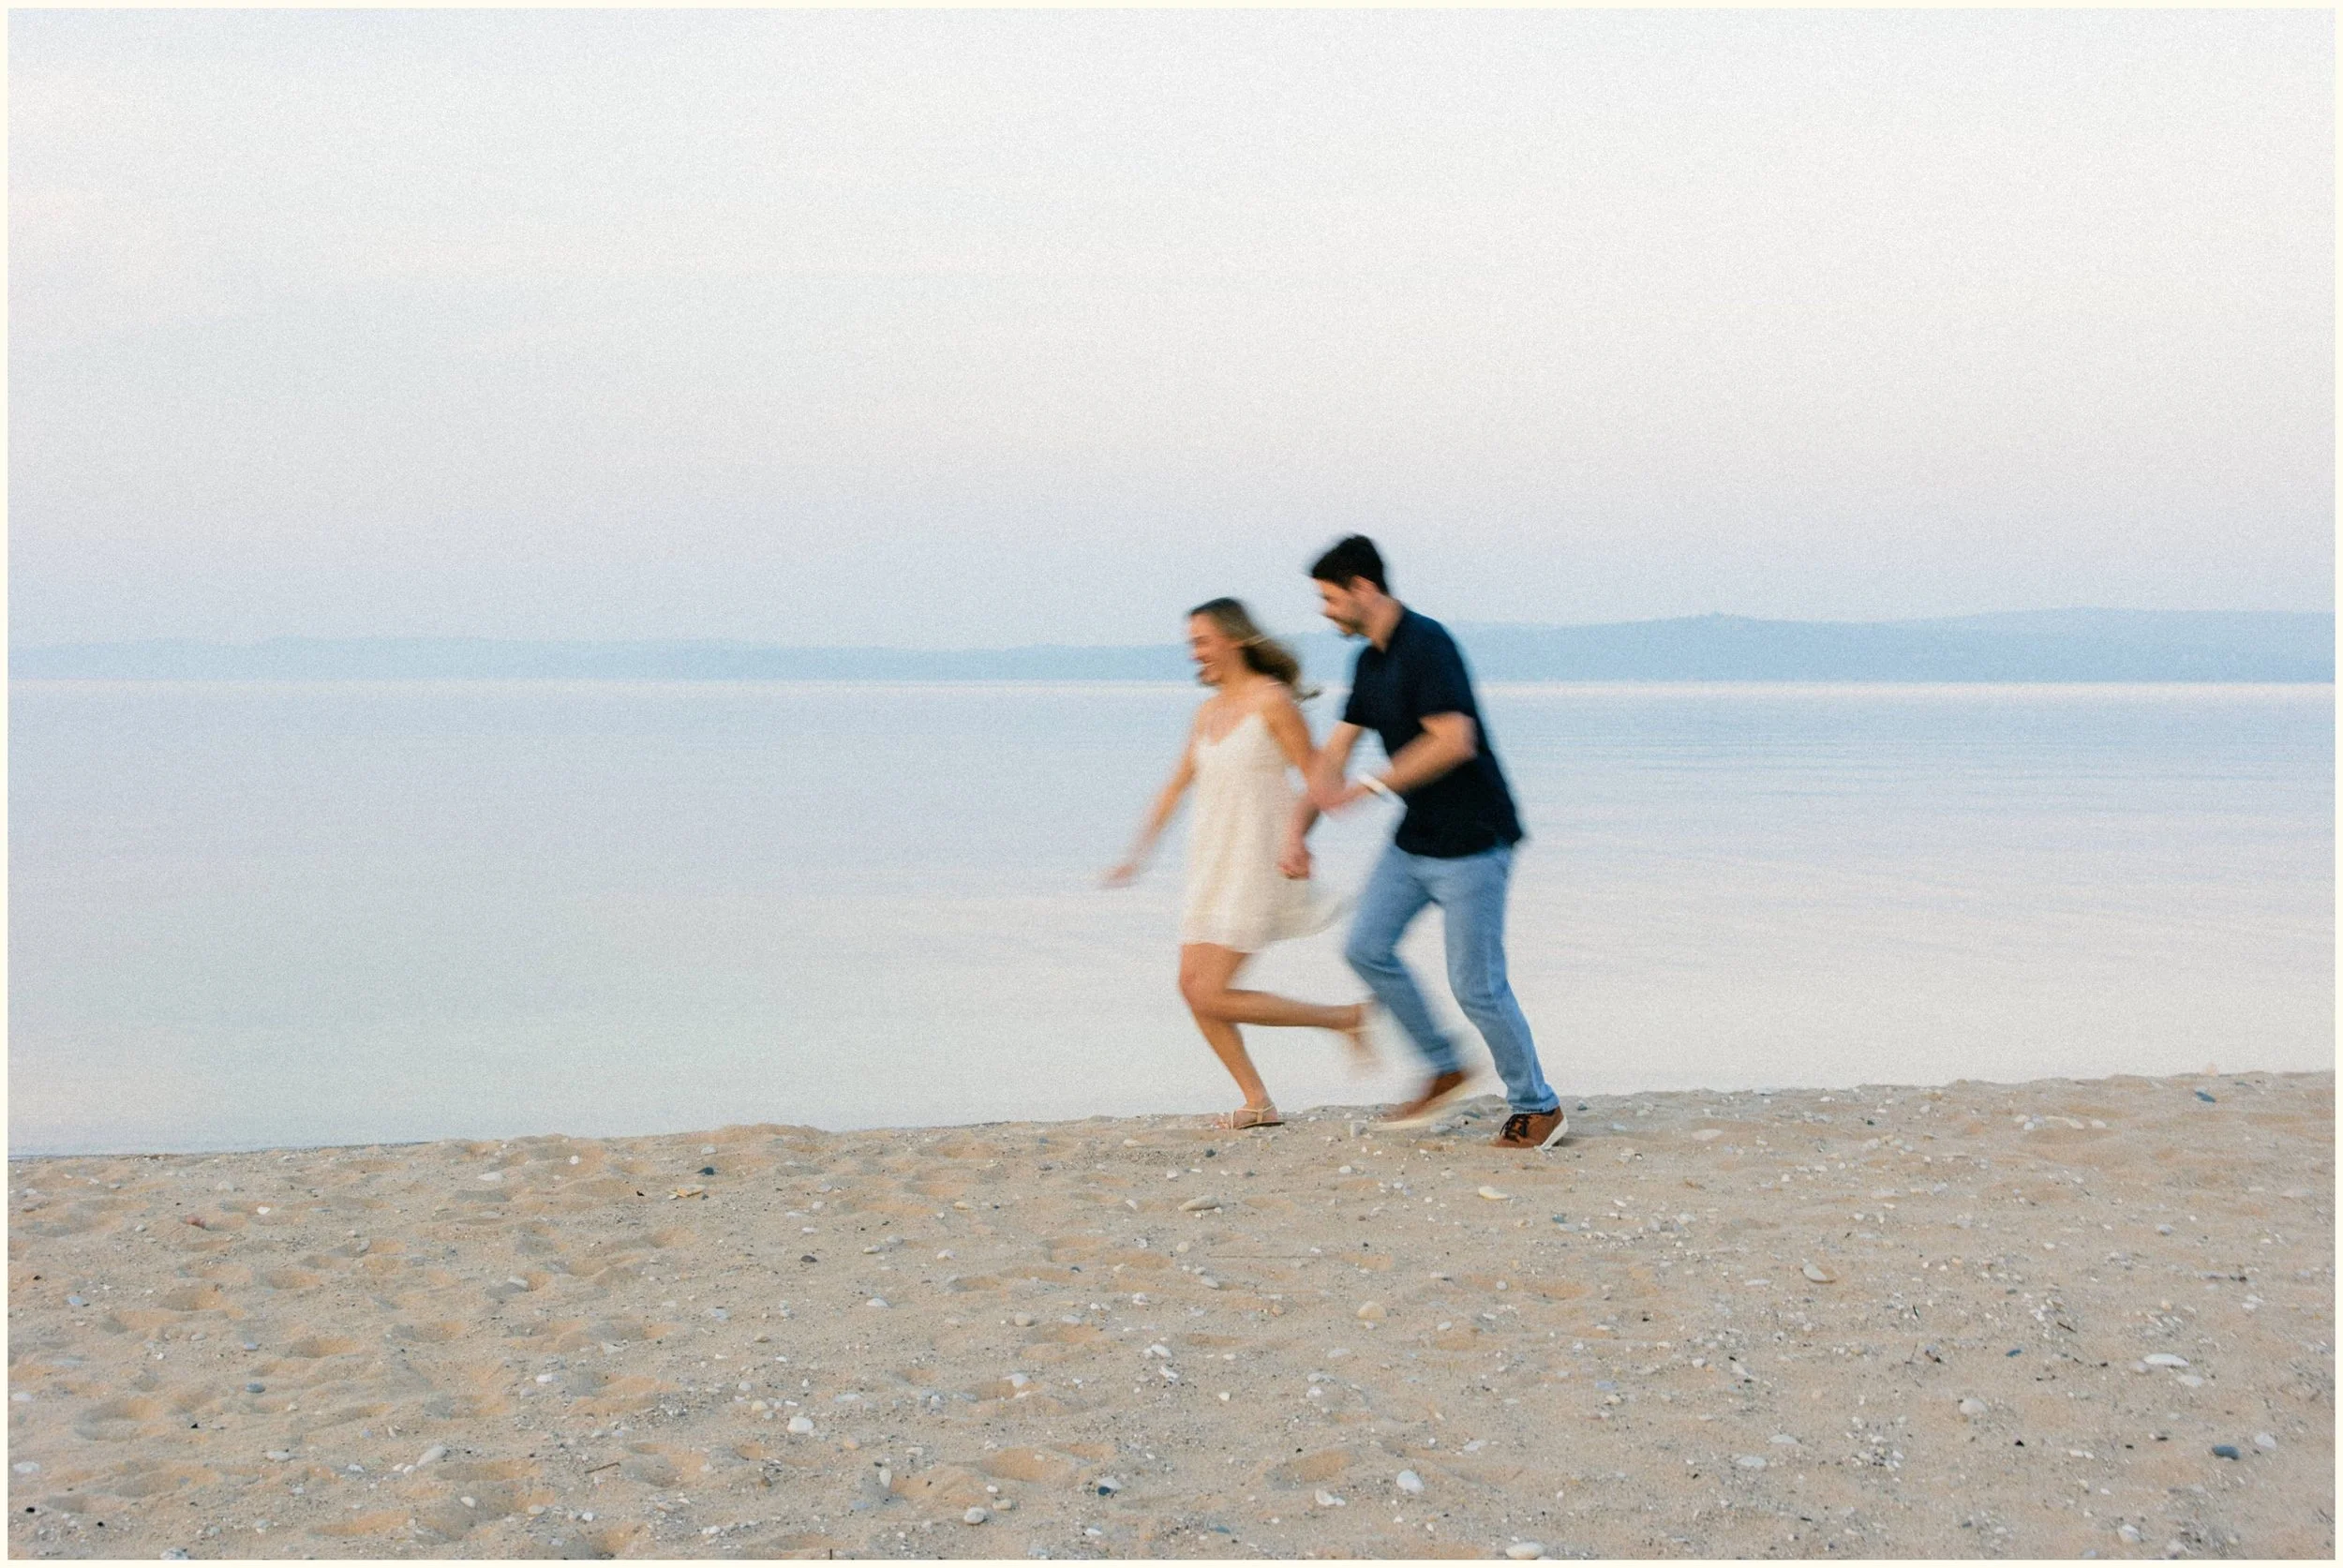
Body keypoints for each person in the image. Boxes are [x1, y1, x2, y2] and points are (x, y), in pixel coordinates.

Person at [1296, 535, 1568, 1149]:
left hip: (1475, 840)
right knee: (1366, 946)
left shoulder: (1428, 645)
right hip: (1415, 839)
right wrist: (1296, 831)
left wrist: (1368, 785)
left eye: (1330, 597)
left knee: (1477, 984)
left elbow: (1453, 740)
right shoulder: (1368, 661)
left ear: (1364, 588)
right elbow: (1332, 757)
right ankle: (1445, 1063)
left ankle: (1537, 1105)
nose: (1325, 610)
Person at [1105, 598, 1374, 1130]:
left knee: (1209, 990)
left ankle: (1343, 1019)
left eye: (1202, 641)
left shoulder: (1272, 701)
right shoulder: (1207, 712)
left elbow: (1318, 775)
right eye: (1192, 644)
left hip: (1258, 862)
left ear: (1234, 639)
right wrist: (1136, 856)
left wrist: (1300, 837)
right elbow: (1176, 786)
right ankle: (1258, 1101)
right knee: (1192, 987)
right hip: (1211, 864)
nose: (1195, 653)